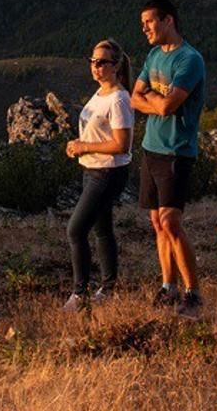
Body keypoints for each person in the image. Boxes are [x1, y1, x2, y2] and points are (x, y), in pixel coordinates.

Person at [129, 0, 207, 317]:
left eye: (150, 21)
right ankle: (168, 286)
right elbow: (134, 98)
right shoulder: (153, 55)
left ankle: (193, 292)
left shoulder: (189, 60)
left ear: (168, 21)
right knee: (156, 222)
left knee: (171, 222)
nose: (145, 28)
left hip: (176, 150)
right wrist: (152, 99)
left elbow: (166, 107)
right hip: (152, 147)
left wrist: (152, 98)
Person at [63, 39, 134, 310]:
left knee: (75, 230)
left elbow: (121, 144)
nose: (95, 66)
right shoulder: (101, 93)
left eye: (102, 62)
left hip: (107, 173)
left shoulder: (118, 99)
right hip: (92, 169)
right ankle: (108, 287)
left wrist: (84, 146)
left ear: (115, 66)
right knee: (102, 230)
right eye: (93, 61)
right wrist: (79, 147)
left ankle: (79, 293)